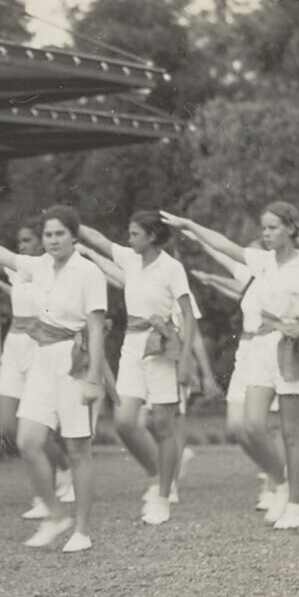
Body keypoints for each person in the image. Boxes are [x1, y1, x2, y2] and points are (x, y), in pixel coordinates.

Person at [0, 208, 108, 551]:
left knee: (77, 449)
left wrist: (94, 378)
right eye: (48, 235)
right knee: (27, 441)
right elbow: (1, 255)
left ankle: (82, 530)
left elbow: (96, 328)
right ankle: (55, 515)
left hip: (74, 361)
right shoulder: (39, 266)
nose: (53, 240)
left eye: (60, 234)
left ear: (74, 236)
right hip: (41, 360)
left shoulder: (89, 272)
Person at [162, 205, 299, 530]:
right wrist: (190, 224)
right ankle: (280, 483)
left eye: (274, 227)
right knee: (251, 425)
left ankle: (294, 506)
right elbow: (223, 244)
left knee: (292, 433)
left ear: (291, 229)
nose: (266, 233)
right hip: (260, 350)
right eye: (263, 228)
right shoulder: (261, 261)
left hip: (293, 348)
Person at [79, 212, 215, 524]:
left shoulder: (171, 268)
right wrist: (76, 225)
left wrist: (186, 362)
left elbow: (188, 315)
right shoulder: (130, 259)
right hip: (132, 346)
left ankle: (164, 497)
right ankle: (159, 475)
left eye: (135, 234)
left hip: (163, 347)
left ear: (151, 236)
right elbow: (100, 240)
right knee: (125, 421)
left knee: (163, 425)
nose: (130, 239)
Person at [0, 223, 75, 520]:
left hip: (38, 347)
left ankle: (49, 487)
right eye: (19, 240)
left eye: (27, 239)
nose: (22, 244)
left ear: (40, 242)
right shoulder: (17, 269)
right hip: (13, 347)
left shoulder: (48, 270)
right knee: (6, 425)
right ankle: (62, 468)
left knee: (34, 423)